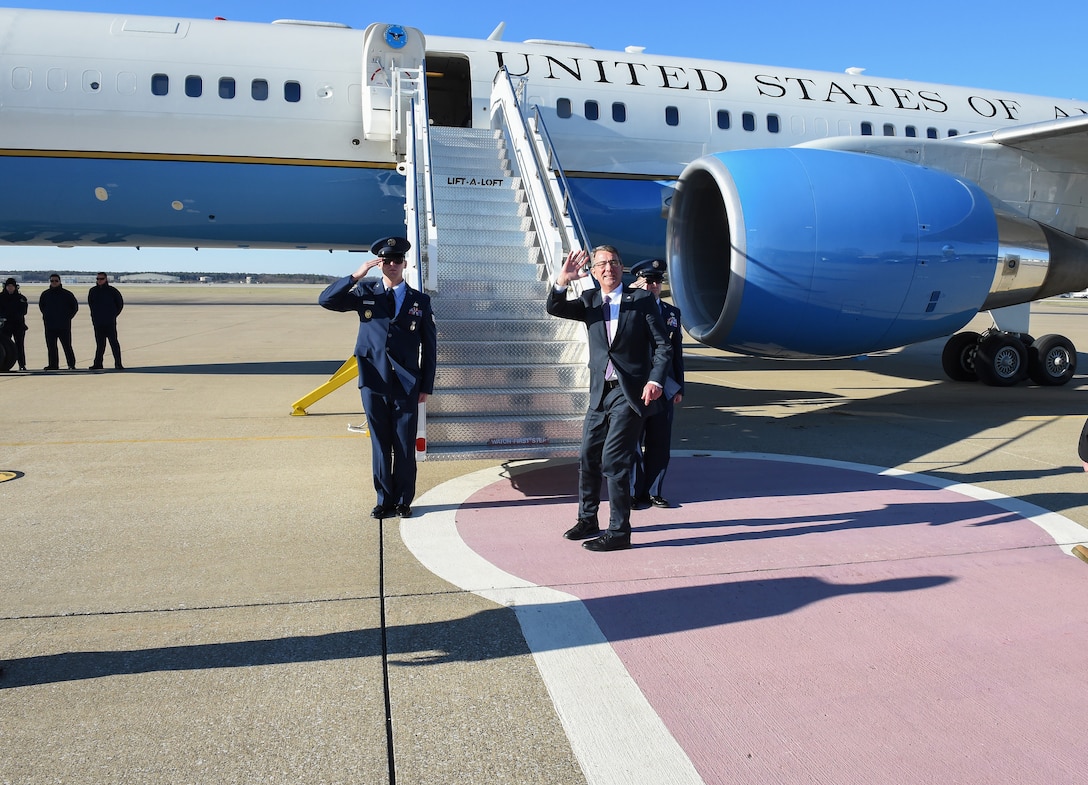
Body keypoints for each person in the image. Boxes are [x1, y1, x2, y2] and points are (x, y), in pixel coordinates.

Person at [547, 245, 672, 552]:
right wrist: (562, 281)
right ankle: (588, 519)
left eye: (614, 263)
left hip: (629, 394)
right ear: (593, 271)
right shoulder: (589, 301)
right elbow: (554, 308)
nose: (608, 268)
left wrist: (655, 380)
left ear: (622, 267)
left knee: (614, 460)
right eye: (601, 264)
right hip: (599, 393)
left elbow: (663, 346)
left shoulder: (641, 300)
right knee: (588, 458)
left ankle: (619, 531)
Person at [319, 236, 437, 520]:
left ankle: (403, 501)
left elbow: (430, 346)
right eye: (387, 260)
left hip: (407, 382)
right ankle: (384, 500)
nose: (393, 265)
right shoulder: (365, 292)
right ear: (380, 263)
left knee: (404, 446)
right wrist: (356, 275)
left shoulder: (420, 301)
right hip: (373, 380)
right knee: (380, 444)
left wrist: (426, 386)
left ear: (405, 264)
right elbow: (326, 300)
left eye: (397, 260)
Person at [630, 259, 685, 509]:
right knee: (632, 441)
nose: (653, 286)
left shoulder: (671, 313)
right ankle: (634, 491)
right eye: (648, 281)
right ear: (639, 282)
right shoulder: (628, 308)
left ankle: (654, 491)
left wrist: (679, 386)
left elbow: (676, 352)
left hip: (665, 386)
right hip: (636, 388)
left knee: (660, 442)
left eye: (657, 281)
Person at [38, 274, 78, 370]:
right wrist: (47, 317)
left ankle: (71, 364)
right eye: (52, 281)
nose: (54, 283)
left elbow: (74, 307)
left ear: (60, 281)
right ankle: (53, 365)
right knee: (51, 347)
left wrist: (67, 317)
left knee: (67, 346)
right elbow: (42, 306)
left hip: (63, 325)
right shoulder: (45, 294)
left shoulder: (67, 294)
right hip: (50, 325)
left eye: (56, 281)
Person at [87, 272, 124, 370]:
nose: (99, 280)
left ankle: (118, 363)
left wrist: (112, 315)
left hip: (110, 322)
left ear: (106, 279)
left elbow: (119, 304)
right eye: (98, 279)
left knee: (114, 343)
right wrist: (94, 317)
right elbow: (91, 304)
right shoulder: (93, 291)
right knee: (100, 344)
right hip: (98, 322)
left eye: (101, 279)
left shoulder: (112, 291)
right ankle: (98, 363)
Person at [0, 277, 29, 371]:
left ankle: (22, 365)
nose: (10, 288)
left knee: (19, 345)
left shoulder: (21, 298)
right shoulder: (0, 297)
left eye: (12, 286)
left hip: (18, 325)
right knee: (4, 346)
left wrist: (12, 316)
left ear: (15, 287)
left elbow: (23, 311)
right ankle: (5, 364)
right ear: (5, 287)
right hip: (5, 326)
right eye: (8, 286)